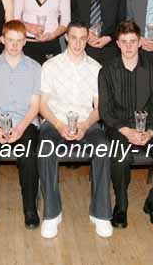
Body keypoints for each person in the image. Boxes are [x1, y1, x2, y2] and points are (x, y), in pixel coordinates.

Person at [99, 20, 153, 229]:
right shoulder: (107, 70)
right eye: (124, 42)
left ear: (140, 42)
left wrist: (150, 131)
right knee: (119, 156)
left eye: (133, 41)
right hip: (119, 127)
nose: (128, 46)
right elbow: (105, 111)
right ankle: (121, 207)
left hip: (149, 128)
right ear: (117, 43)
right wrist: (127, 131)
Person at [38, 22, 112, 239]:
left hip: (85, 122)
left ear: (87, 39)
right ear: (66, 38)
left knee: (102, 147)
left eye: (83, 38)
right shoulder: (50, 66)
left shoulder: (96, 68)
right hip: (56, 121)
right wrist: (60, 125)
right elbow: (42, 105)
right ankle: (52, 214)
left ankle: (100, 213)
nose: (78, 42)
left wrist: (85, 125)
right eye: (74, 37)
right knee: (45, 147)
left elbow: (99, 108)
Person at [0, 20, 41, 230]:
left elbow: (34, 106)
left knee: (29, 156)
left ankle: (30, 208)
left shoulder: (34, 67)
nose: (14, 45)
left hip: (24, 122)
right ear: (2, 40)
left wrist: (20, 128)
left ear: (25, 42)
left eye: (19, 41)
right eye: (10, 40)